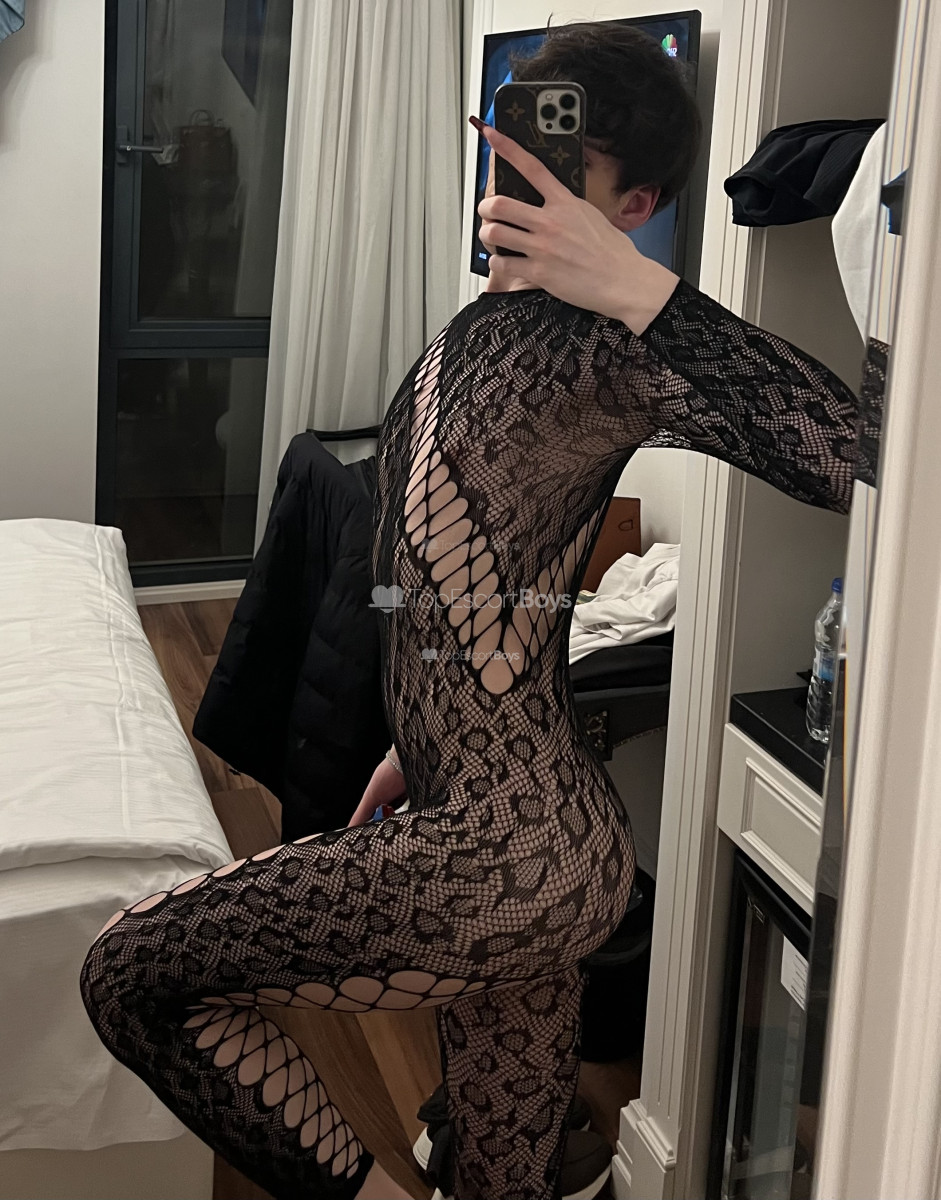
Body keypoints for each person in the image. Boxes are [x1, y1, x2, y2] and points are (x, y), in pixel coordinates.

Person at [80, 23, 866, 1200]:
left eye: (561, 161)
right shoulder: (473, 332)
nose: (517, 174)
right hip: (500, 823)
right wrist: (421, 732)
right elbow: (459, 574)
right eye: (510, 144)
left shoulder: (609, 350)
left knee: (130, 971)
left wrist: (643, 288)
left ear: (634, 203)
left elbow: (850, 453)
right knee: (498, 1175)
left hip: (518, 848)